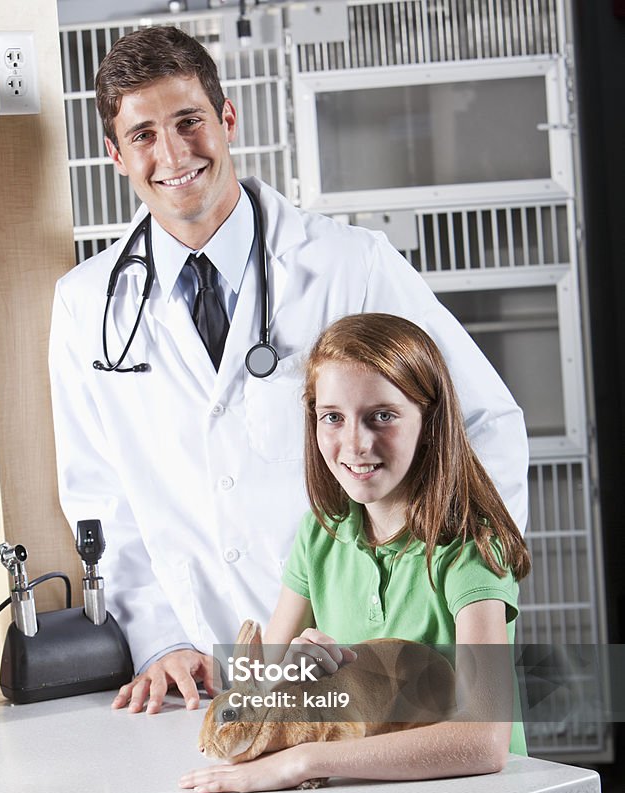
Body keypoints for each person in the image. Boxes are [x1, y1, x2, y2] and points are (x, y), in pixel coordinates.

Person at [48, 26, 529, 716]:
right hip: (209, 670)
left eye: (189, 122)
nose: (174, 153)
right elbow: (97, 495)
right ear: (115, 155)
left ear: (228, 119)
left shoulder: (349, 263)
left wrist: (443, 598)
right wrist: (158, 641)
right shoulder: (85, 304)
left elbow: (482, 421)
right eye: (144, 134)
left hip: (369, 646)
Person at [179, 314, 531, 793]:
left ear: (429, 423)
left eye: (382, 416)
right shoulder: (320, 533)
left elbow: (484, 742)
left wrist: (305, 759)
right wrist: (288, 676)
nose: (355, 443)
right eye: (333, 417)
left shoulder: (470, 547)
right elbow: (256, 693)